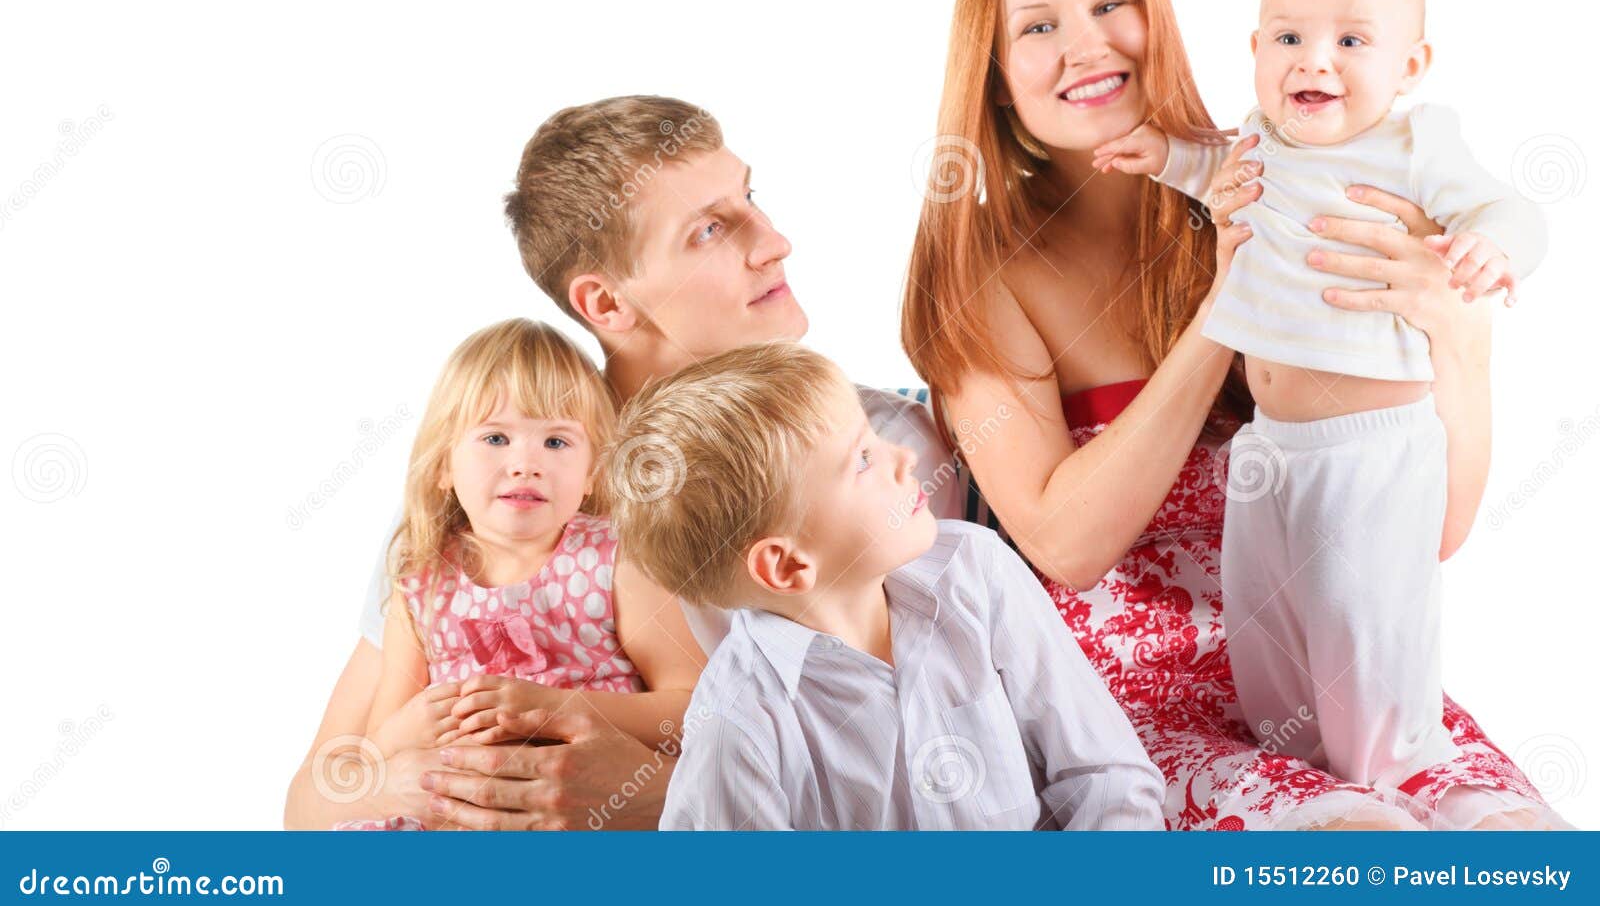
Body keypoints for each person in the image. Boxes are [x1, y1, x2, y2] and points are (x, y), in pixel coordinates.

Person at [901, 0, 1564, 829]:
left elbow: (1431, 530)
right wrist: (1230, 295)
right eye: (1038, 27)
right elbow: (1066, 546)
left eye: (1109, 5)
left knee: (1514, 844)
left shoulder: (1292, 175)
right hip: (1133, 706)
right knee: (1355, 847)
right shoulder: (984, 273)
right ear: (998, 79)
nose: (1087, 45)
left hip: (1350, 675)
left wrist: (1460, 333)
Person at [285, 97, 960, 829]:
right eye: (709, 230)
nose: (775, 242)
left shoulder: (885, 451)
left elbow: (948, 775)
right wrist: (414, 780)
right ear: (605, 303)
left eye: (751, 198)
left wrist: (654, 795)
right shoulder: (493, 495)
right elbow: (307, 808)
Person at [1088, 0, 1546, 792]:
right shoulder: (1263, 137)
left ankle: (1396, 777)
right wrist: (1163, 156)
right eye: (1290, 38)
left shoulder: (1415, 147)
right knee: (1266, 621)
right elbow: (1216, 173)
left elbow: (1511, 209)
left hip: (1371, 448)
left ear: (1409, 66)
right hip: (1269, 446)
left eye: (1351, 42)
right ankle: (1299, 768)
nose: (1315, 62)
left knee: (1363, 626)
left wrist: (1493, 246)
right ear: (1256, 48)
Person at [611, 341, 1165, 830]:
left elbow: (1107, 775)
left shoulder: (977, 570)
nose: (904, 457)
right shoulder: (737, 723)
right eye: (862, 460)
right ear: (787, 566)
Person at [333, 318, 703, 830]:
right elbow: (378, 748)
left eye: (556, 442)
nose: (526, 463)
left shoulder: (616, 561)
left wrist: (560, 708)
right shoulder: (421, 583)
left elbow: (692, 711)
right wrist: (412, 727)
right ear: (442, 464)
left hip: (581, 815)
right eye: (496, 437)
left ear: (593, 472)